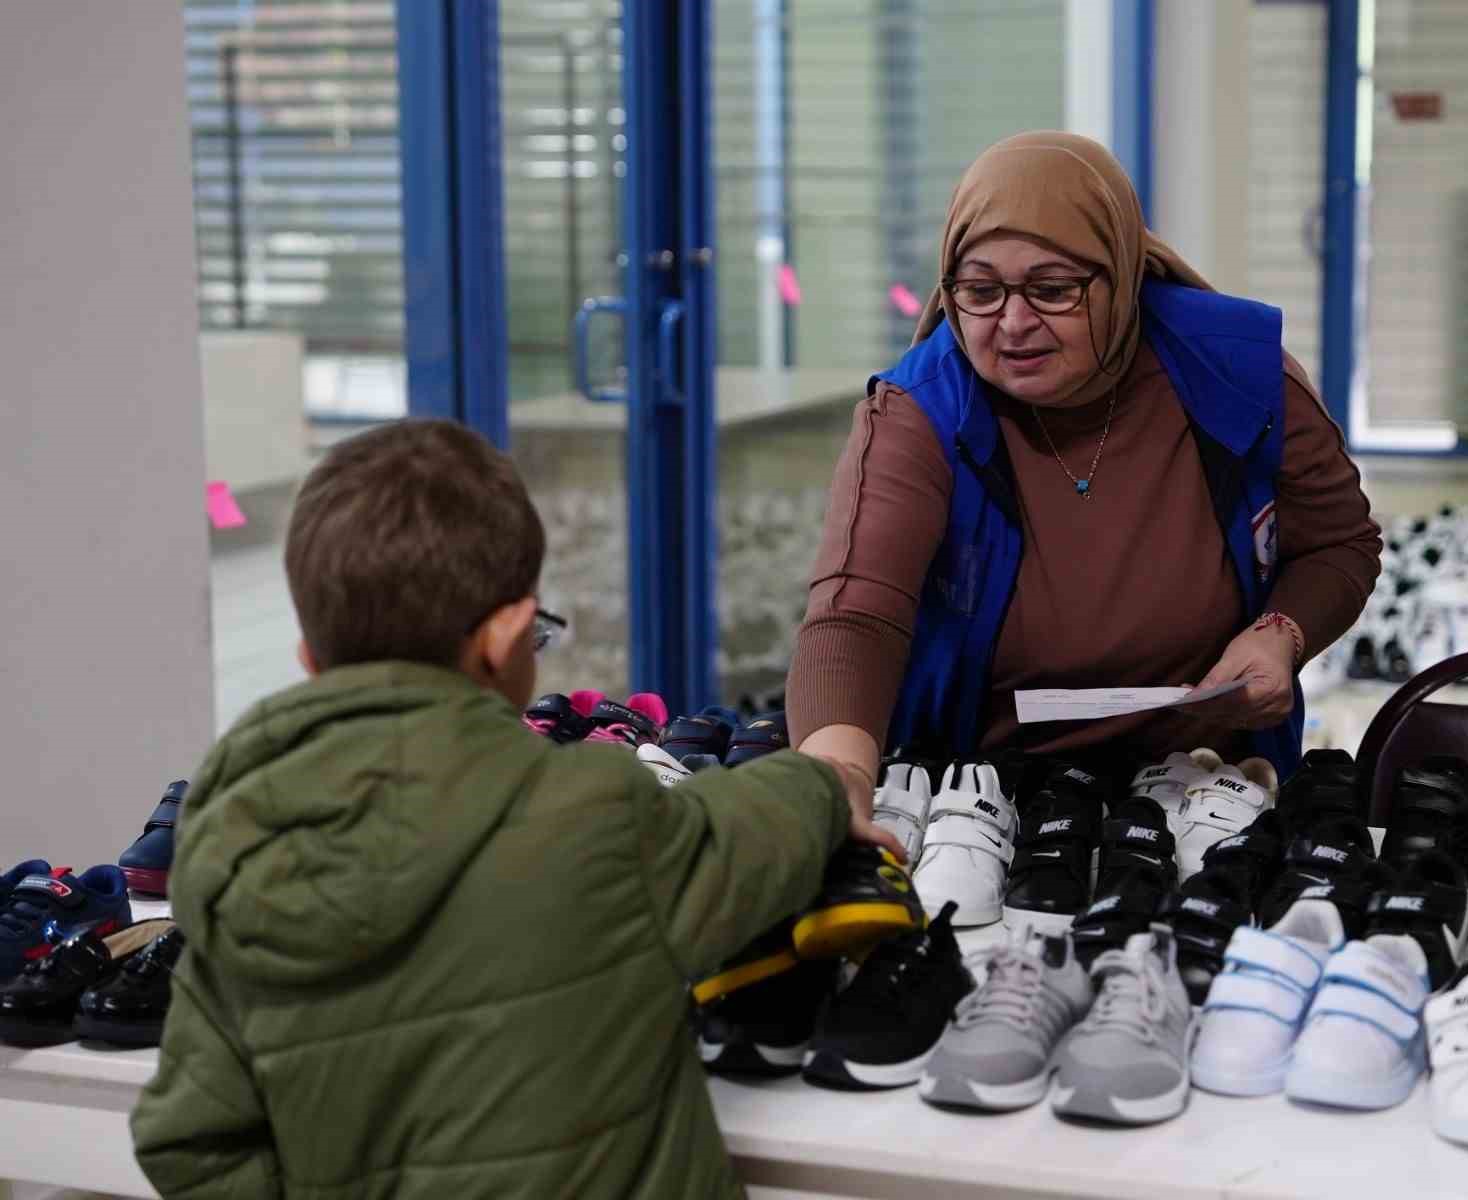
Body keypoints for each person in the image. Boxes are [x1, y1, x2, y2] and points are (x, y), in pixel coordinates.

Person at [131, 420, 888, 1199]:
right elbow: (749, 830)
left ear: (310, 659)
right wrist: (826, 782)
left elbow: (187, 1139)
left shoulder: (235, 859)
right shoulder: (591, 818)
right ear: (506, 638)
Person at [788, 131, 1380, 787]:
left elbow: (1338, 543)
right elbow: (856, 615)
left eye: (1053, 288)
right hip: (984, 791)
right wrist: (836, 778)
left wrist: (1282, 631)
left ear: (1120, 274)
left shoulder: (1234, 375)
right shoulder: (921, 412)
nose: (1013, 322)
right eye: (980, 290)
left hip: (1207, 783)